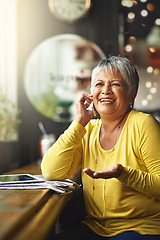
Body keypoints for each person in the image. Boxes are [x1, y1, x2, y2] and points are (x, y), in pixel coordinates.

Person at [41, 56, 160, 240]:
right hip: (96, 228)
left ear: (132, 94)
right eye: (98, 84)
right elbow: (51, 172)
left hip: (140, 228)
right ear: (90, 93)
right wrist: (79, 121)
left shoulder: (144, 124)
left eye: (115, 84)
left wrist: (124, 174)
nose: (105, 91)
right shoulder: (87, 130)